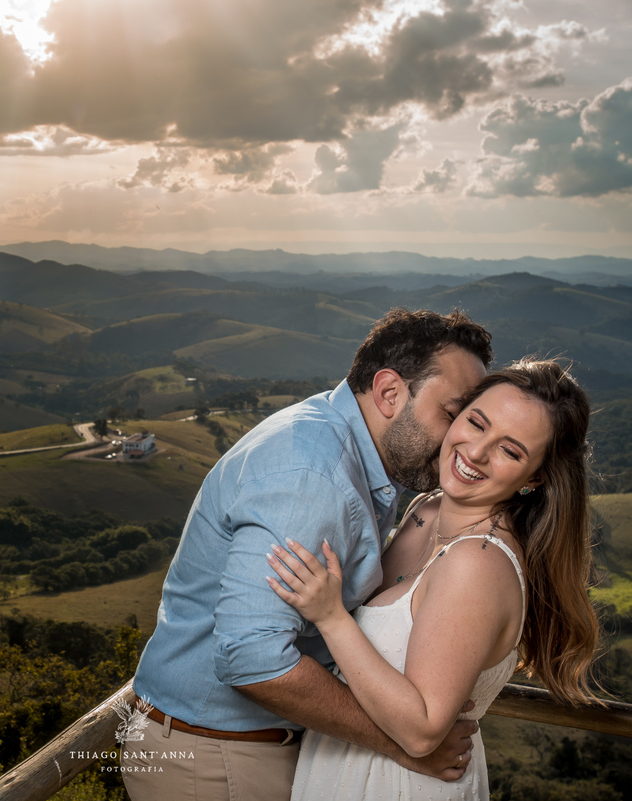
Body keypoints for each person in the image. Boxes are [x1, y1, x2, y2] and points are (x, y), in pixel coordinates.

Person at [123, 308, 493, 801]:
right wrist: (404, 745)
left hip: (227, 748)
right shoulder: (314, 476)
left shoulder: (346, 446)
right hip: (217, 759)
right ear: (389, 392)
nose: (459, 440)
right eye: (451, 414)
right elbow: (252, 658)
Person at [267, 358, 601, 800]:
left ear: (535, 477)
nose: (476, 452)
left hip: (400, 784)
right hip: (342, 763)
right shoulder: (426, 509)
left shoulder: (477, 563)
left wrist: (330, 617)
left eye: (510, 451)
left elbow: (423, 731)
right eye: (476, 423)